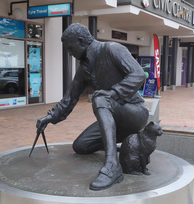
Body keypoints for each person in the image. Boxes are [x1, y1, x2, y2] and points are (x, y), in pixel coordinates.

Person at [36, 23, 149, 190]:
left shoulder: (112, 49)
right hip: (114, 118)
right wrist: (50, 117)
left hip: (135, 113)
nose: (70, 53)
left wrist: (113, 93)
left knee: (100, 98)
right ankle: (120, 144)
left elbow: (138, 74)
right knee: (80, 146)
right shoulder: (84, 68)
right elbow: (70, 98)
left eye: (70, 48)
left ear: (81, 41)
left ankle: (112, 166)